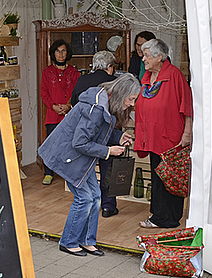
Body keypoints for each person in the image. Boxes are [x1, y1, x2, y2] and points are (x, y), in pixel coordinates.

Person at [39, 74, 140, 257]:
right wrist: (108, 151)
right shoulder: (96, 108)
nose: (132, 104)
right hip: (68, 157)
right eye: (131, 99)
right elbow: (80, 142)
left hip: (80, 158)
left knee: (95, 196)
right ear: (121, 94)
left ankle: (87, 241)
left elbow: (98, 131)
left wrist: (118, 137)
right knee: (85, 198)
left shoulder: (103, 101)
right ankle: (68, 242)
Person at [133, 38, 193, 229]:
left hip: (170, 136)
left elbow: (187, 105)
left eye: (147, 55)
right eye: (143, 55)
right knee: (158, 176)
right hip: (151, 136)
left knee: (170, 177)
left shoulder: (174, 75)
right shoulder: (147, 78)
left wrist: (188, 132)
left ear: (160, 57)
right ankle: (159, 215)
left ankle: (167, 218)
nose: (143, 59)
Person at [70, 51, 119, 217]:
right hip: (108, 132)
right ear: (110, 67)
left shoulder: (82, 80)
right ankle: (108, 206)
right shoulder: (115, 82)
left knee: (86, 168)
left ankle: (88, 202)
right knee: (108, 169)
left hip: (85, 132)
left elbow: (73, 104)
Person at [40, 39, 80, 185]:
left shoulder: (74, 72)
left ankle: (68, 172)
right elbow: (44, 94)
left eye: (63, 51)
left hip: (69, 115)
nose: (61, 54)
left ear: (67, 53)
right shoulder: (47, 72)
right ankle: (48, 173)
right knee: (51, 145)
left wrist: (69, 105)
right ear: (53, 53)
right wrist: (54, 106)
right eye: (57, 51)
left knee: (70, 145)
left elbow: (77, 92)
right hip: (52, 114)